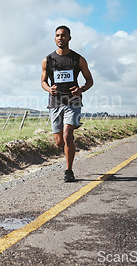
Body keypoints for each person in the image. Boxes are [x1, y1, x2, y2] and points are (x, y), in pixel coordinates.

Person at [41, 25, 94, 182]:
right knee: (59, 141)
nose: (60, 38)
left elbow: (90, 80)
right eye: (57, 35)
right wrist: (50, 89)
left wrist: (81, 89)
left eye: (63, 35)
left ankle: (69, 171)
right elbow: (43, 81)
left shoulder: (78, 59)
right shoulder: (48, 60)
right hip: (55, 102)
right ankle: (69, 142)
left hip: (73, 101)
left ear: (69, 38)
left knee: (67, 135)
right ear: (54, 37)